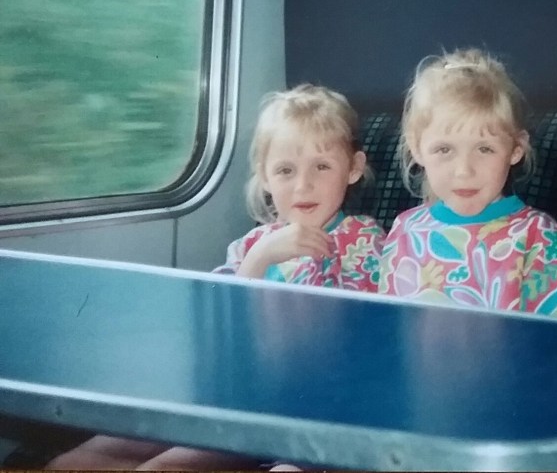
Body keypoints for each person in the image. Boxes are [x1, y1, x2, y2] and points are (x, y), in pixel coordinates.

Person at [48, 84, 385, 471]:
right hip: (236, 400)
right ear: (264, 176)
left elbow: (357, 342)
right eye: (285, 170)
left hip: (311, 410)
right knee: (75, 462)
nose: (303, 185)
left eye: (322, 167)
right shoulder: (252, 245)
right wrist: (259, 261)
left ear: (354, 168)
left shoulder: (363, 240)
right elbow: (216, 331)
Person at [379, 47, 557, 318]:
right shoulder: (404, 230)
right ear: (417, 148)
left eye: (484, 149)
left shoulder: (536, 236)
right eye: (444, 149)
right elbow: (387, 323)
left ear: (515, 149)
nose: (464, 171)